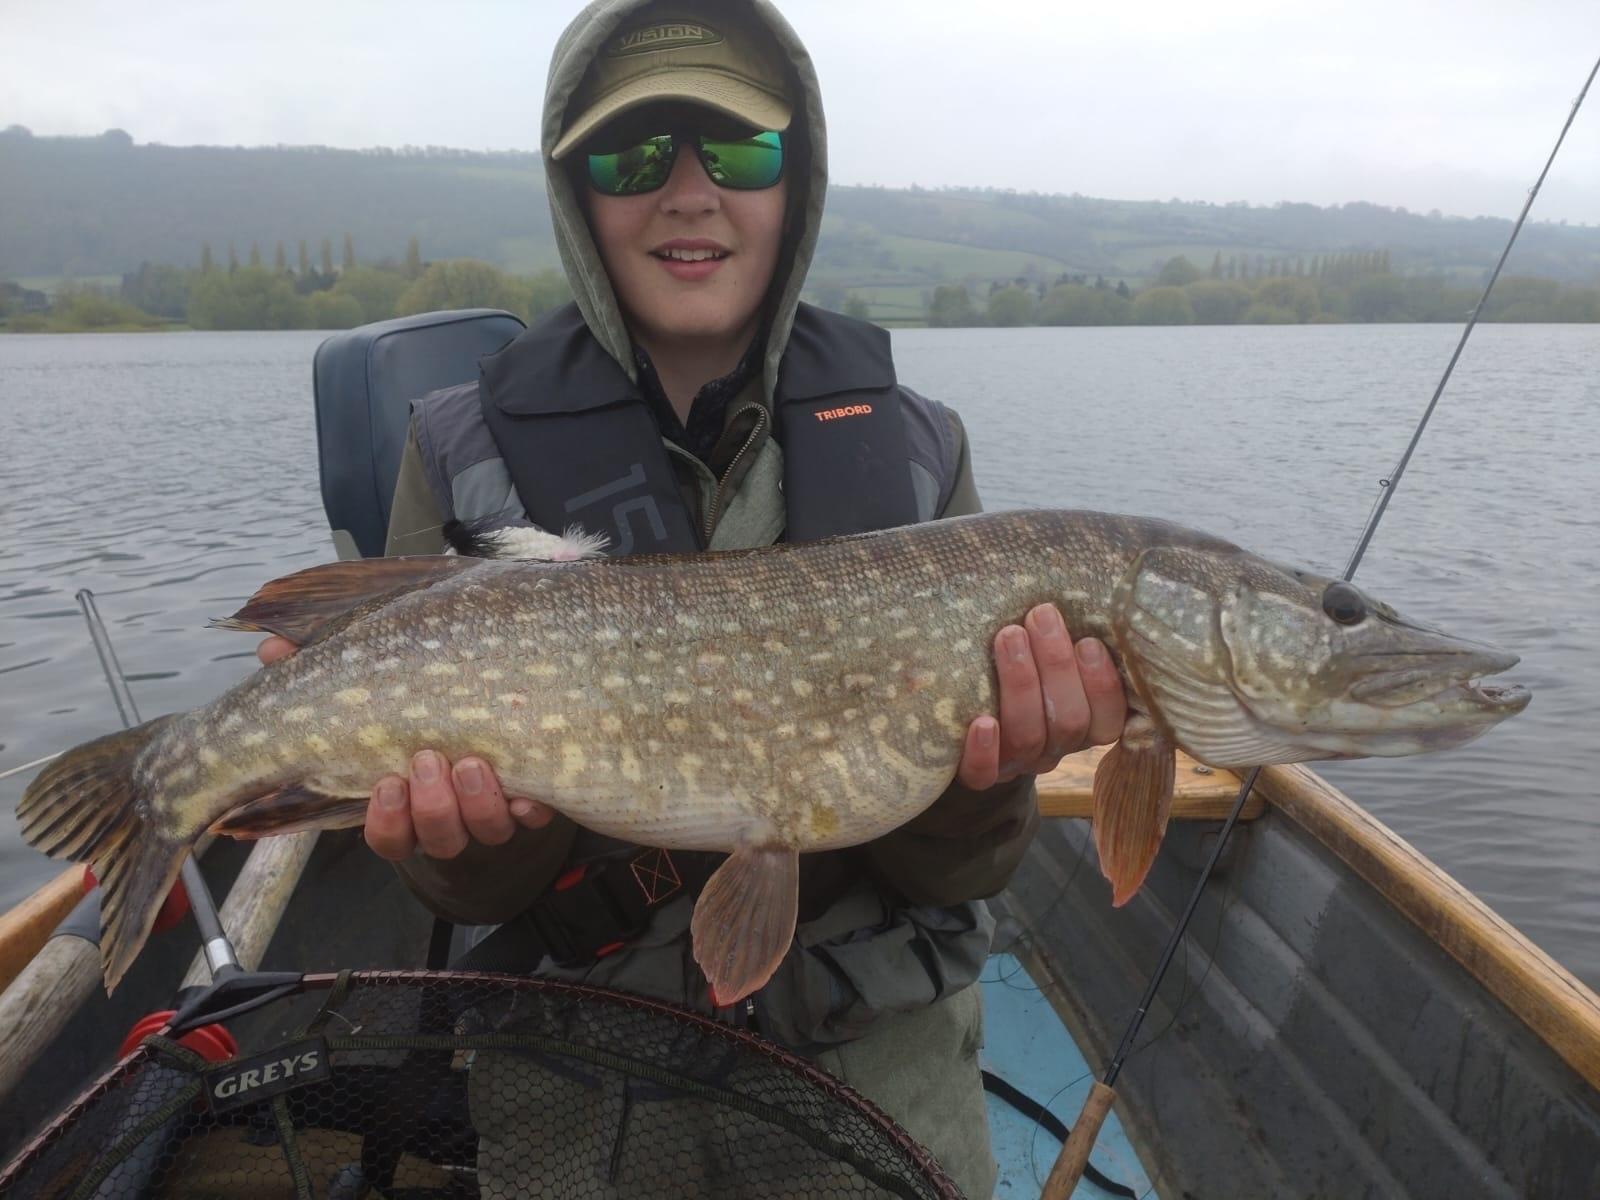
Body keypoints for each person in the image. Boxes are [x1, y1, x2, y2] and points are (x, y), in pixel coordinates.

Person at [260, 1, 1125, 1192]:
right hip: (579, 1089)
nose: (687, 192)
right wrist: (465, 857)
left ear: (797, 178)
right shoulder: (460, 450)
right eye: (631, 156)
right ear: (576, 192)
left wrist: (986, 786)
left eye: (738, 151)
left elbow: (958, 874)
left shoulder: (921, 453)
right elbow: (460, 883)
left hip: (875, 1077)